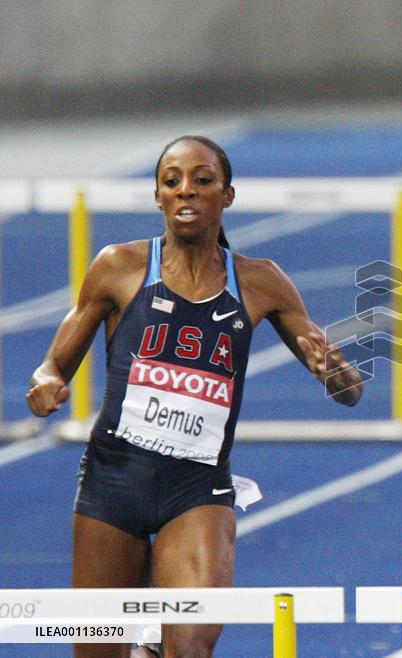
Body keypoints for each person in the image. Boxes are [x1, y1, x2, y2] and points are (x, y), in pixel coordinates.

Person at [26, 135, 363, 657]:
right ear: (158, 195)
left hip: (197, 486)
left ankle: (160, 644)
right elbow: (53, 364)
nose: (186, 191)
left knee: (192, 647)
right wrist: (47, 383)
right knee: (95, 652)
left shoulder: (260, 282)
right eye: (172, 181)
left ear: (226, 195)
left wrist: (332, 370)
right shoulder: (119, 266)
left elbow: (350, 392)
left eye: (202, 181)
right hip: (113, 484)